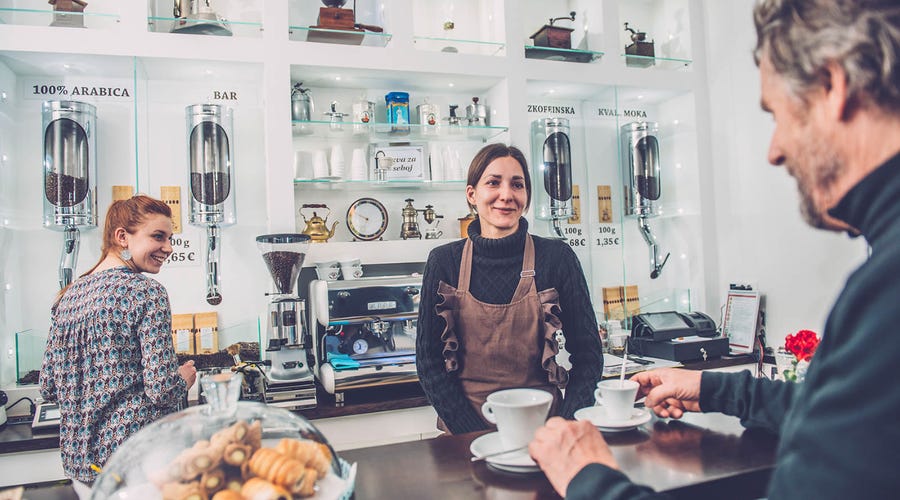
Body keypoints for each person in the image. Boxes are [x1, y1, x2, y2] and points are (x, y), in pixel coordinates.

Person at [529, 1, 900, 498]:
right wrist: (716, 390)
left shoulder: (886, 292)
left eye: (778, 114)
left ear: (833, 88)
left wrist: (587, 477)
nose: (775, 150)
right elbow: (852, 424)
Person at [416, 143, 604, 434]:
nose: (506, 195)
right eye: (493, 182)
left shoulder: (557, 258)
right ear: (472, 195)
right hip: (464, 434)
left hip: (544, 430)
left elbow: (589, 356)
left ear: (526, 197)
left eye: (517, 184)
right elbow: (429, 362)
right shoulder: (444, 261)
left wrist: (563, 426)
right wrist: (471, 434)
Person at [39, 195, 197, 485]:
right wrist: (182, 380)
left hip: (81, 462)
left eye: (170, 238)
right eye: (158, 237)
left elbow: (48, 386)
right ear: (123, 236)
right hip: (136, 457)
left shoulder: (68, 297)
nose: (169, 248)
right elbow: (161, 390)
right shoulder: (147, 292)